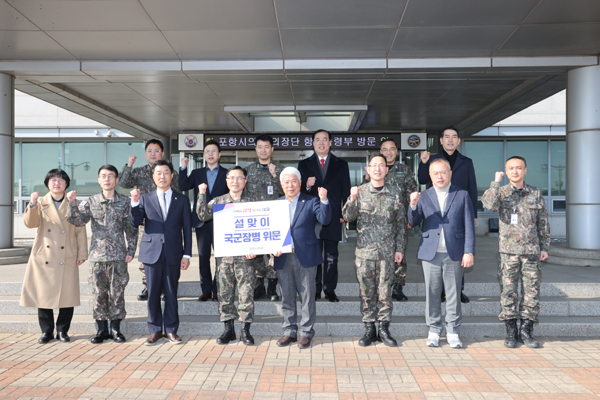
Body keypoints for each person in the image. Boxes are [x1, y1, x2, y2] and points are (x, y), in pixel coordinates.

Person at [481, 156, 550, 349]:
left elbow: (543, 222)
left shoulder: (535, 193)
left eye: (519, 168)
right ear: (506, 170)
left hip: (531, 252)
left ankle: (526, 331)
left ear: (525, 170)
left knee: (531, 293)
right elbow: (488, 204)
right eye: (511, 168)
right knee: (508, 292)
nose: (515, 171)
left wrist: (545, 247)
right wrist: (495, 182)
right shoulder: (501, 192)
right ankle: (511, 332)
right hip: (508, 253)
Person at [66, 165, 138, 344]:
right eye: (103, 176)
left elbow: (131, 229)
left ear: (116, 180)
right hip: (97, 257)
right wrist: (71, 203)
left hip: (118, 256)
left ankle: (115, 329)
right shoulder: (90, 202)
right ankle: (101, 329)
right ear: (99, 180)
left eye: (111, 176)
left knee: (117, 292)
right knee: (98, 293)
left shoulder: (125, 202)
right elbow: (78, 221)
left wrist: (131, 250)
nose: (107, 179)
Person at [408, 158, 475, 349]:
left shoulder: (461, 195)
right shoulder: (424, 196)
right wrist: (413, 205)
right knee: (432, 293)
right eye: (435, 173)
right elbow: (413, 221)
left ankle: (453, 330)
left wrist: (468, 251)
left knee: (454, 294)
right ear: (429, 175)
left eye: (443, 172)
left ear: (450, 173)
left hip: (454, 252)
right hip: (431, 253)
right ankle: (434, 329)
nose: (439, 176)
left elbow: (469, 225)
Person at [344, 155, 406, 347]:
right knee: (366, 292)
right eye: (374, 166)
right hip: (365, 254)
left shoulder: (395, 193)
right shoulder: (359, 192)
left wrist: (400, 249)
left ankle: (384, 329)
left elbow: (401, 225)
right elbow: (347, 216)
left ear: (387, 170)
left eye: (382, 165)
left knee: (385, 292)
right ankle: (370, 329)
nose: (378, 169)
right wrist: (352, 198)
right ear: (367, 169)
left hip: (387, 253)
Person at [20, 169, 88, 344]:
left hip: (67, 255)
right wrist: (32, 204)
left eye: (60, 180)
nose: (56, 183)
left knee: (68, 296)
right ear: (47, 184)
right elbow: (30, 223)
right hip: (44, 255)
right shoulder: (40, 202)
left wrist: (81, 253)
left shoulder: (74, 202)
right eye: (53, 180)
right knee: (43, 296)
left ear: (66, 184)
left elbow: (80, 231)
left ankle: (63, 331)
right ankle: (47, 331)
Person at [130, 160, 191, 346]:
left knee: (172, 292)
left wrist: (186, 254)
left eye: (166, 172)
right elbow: (135, 221)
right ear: (153, 176)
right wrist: (133, 203)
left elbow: (187, 229)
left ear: (172, 176)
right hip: (151, 252)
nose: (162, 176)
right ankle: (155, 330)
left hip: (173, 252)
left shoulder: (181, 199)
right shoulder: (145, 198)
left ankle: (171, 330)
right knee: (153, 293)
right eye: (158, 173)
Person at [196, 166, 258, 345]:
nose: (235, 181)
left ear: (245, 181)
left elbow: (262, 230)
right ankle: (228, 330)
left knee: (246, 294)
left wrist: (258, 249)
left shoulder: (253, 203)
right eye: (232, 178)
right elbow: (202, 215)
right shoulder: (219, 202)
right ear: (227, 181)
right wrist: (201, 194)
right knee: (225, 294)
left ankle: (245, 330)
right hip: (224, 260)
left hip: (246, 259)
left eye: (239, 178)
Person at [273, 167, 331, 349]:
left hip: (306, 256)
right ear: (281, 185)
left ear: (300, 183)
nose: (290, 185)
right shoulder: (275, 204)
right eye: (286, 182)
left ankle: (306, 333)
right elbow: (269, 231)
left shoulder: (311, 200)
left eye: (294, 181)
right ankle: (289, 331)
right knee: (287, 296)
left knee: (307, 297)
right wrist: (271, 248)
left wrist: (324, 200)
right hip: (283, 256)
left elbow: (325, 219)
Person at [418, 126, 476, 304]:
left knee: (457, 250)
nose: (450, 140)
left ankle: (458, 290)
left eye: (454, 137)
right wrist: (423, 162)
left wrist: (473, 214)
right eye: (447, 137)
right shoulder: (434, 160)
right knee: (437, 252)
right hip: (437, 211)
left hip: (459, 209)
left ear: (459, 140)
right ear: (441, 140)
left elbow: (472, 187)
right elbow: (422, 179)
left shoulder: (466, 161)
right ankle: (441, 291)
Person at [120, 139, 180, 301]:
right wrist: (129, 165)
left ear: (162, 153)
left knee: (167, 254)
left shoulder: (169, 172)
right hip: (146, 220)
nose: (153, 154)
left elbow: (178, 193)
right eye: (150, 151)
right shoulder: (139, 171)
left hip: (166, 221)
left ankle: (166, 287)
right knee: (148, 254)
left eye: (156, 151)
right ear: (145, 154)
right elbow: (124, 183)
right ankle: (148, 285)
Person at [298, 129, 350, 302]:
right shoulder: (304, 165)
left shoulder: (341, 164)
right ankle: (314, 289)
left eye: (324, 140)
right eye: (317, 140)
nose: (321, 142)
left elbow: (346, 190)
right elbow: (297, 192)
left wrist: (345, 212)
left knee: (332, 256)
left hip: (333, 216)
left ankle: (329, 289)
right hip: (311, 218)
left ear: (330, 143)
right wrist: (306, 185)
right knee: (314, 255)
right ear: (313, 143)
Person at [363, 138, 417, 301]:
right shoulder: (375, 169)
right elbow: (365, 192)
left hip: (398, 219)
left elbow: (412, 192)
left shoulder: (404, 169)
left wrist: (410, 216)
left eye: (391, 149)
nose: (388, 152)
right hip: (378, 220)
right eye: (385, 149)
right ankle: (381, 286)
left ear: (396, 151)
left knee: (399, 254)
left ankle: (398, 288)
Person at [179, 140, 228, 302]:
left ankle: (217, 288)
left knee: (221, 257)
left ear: (219, 154)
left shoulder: (227, 174)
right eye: (207, 151)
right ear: (204, 155)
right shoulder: (197, 173)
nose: (211, 154)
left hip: (221, 221)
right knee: (203, 256)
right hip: (202, 221)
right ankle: (206, 289)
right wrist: (183, 168)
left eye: (214, 151)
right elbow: (183, 186)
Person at [244, 134, 285, 301]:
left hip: (275, 220)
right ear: (256, 149)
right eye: (260, 146)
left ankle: (273, 289)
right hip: (254, 220)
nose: (263, 150)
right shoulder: (247, 170)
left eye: (266, 146)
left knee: (274, 256)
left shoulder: (281, 170)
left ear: (272, 149)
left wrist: (275, 177)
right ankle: (259, 286)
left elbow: (287, 193)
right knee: (257, 254)